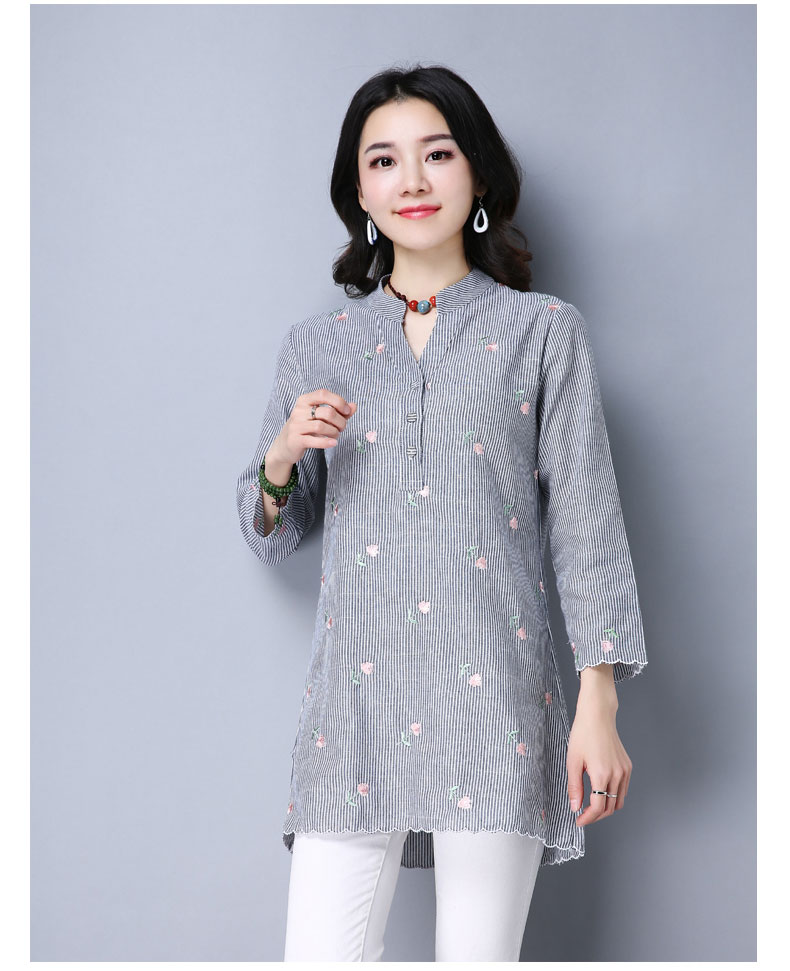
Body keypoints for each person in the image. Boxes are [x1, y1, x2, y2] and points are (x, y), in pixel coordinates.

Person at [235, 64, 648, 962]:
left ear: (479, 174)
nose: (412, 180)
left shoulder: (544, 332)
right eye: (384, 161)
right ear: (359, 192)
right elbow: (272, 529)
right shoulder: (318, 345)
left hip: (494, 702)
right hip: (353, 711)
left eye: (438, 153)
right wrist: (283, 455)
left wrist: (599, 699)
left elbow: (587, 524)